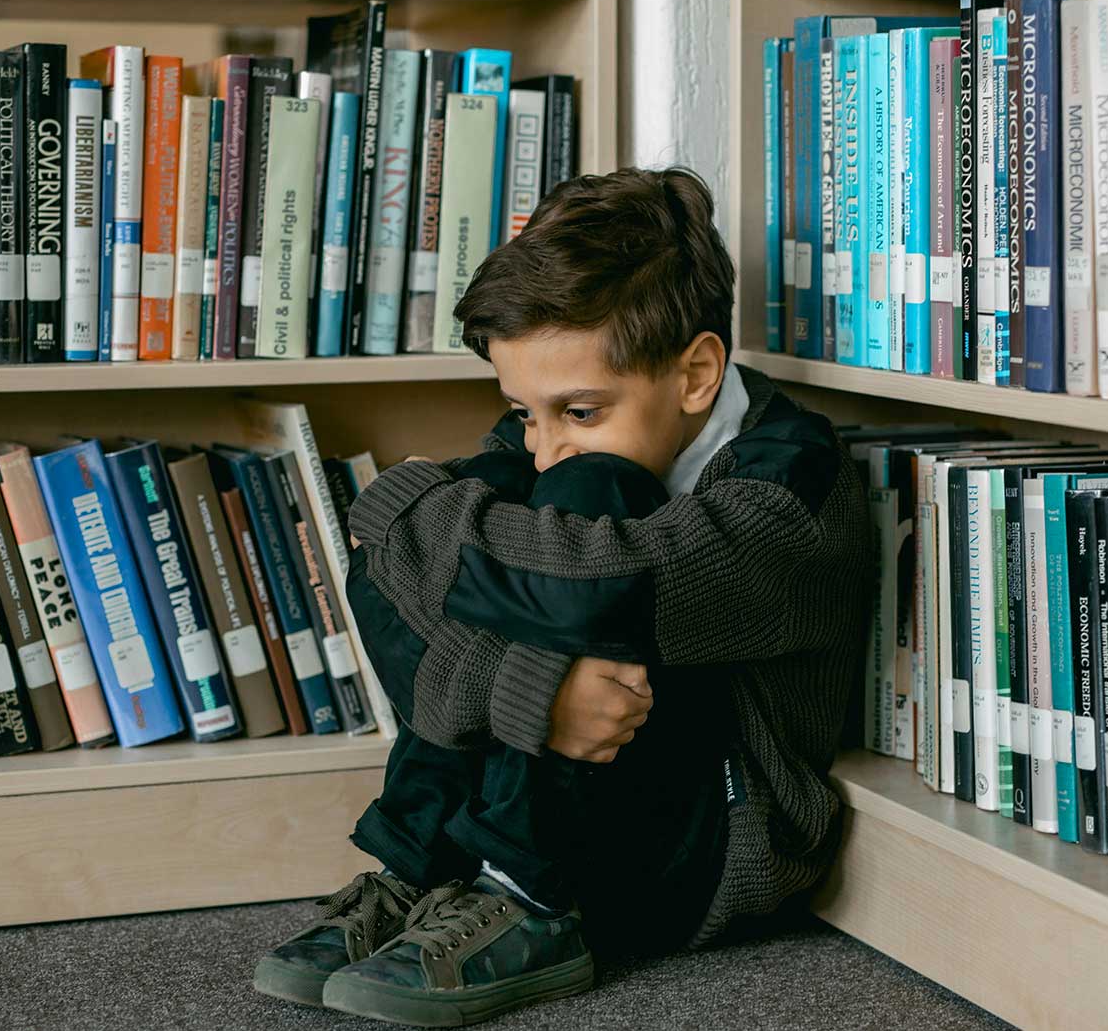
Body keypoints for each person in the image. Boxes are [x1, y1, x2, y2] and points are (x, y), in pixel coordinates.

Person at [253, 166, 869, 1026]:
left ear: (695, 374)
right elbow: (379, 565)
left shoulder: (791, 481)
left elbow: (588, 585)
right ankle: (430, 869)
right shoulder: (548, 436)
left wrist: (406, 511)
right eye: (520, 407)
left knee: (584, 506)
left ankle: (528, 896)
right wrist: (540, 701)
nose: (543, 444)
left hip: (718, 841)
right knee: (509, 539)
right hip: (588, 806)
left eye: (578, 410)